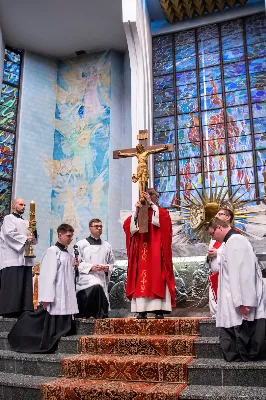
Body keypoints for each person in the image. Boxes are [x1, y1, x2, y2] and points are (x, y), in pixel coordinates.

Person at [8, 223, 79, 353]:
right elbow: (47, 276)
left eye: (72, 236)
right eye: (68, 236)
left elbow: (66, 275)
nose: (70, 239)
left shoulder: (67, 254)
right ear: (60, 235)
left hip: (65, 294)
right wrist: (46, 298)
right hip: (56, 294)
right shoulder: (52, 251)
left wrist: (73, 266)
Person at [208, 217, 266, 362]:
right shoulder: (231, 242)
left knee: (245, 333)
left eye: (212, 233)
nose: (212, 237)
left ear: (220, 227)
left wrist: (242, 301)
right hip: (235, 297)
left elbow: (242, 274)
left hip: (240, 300)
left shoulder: (235, 241)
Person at [123, 189, 176, 319]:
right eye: (146, 194)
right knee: (141, 278)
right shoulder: (138, 213)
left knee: (157, 277)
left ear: (156, 198)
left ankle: (159, 309)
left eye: (151, 194)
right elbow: (128, 228)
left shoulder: (161, 213)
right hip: (141, 252)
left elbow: (163, 223)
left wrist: (151, 204)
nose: (148, 197)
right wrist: (136, 211)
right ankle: (141, 310)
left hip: (156, 252)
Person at [0, 198, 37, 317]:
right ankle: (10, 310)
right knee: (13, 284)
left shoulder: (27, 221)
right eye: (21, 204)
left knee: (25, 284)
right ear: (13, 206)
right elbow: (9, 234)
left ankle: (25, 309)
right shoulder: (8, 218)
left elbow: (34, 240)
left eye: (25, 205)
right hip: (12, 257)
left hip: (25, 257)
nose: (24, 207)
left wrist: (34, 230)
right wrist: (26, 239)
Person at [75, 218, 115, 319]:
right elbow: (76, 263)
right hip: (86, 279)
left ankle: (101, 316)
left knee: (99, 287)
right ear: (90, 228)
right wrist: (91, 267)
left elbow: (112, 263)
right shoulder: (81, 244)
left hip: (101, 277)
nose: (99, 228)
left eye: (100, 226)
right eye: (96, 226)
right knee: (96, 286)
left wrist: (107, 268)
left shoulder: (107, 246)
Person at [207, 204, 234, 317]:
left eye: (220, 214)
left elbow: (234, 254)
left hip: (226, 275)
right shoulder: (215, 236)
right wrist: (209, 257)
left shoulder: (233, 235)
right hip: (215, 274)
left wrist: (217, 253)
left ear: (228, 217)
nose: (216, 216)